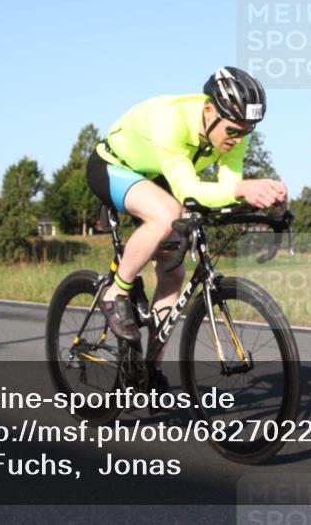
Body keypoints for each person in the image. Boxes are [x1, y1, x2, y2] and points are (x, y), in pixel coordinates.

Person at [86, 67, 287, 348]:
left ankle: (151, 367)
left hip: (158, 176)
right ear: (209, 111)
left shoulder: (235, 133)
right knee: (167, 213)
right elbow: (188, 190)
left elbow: (228, 187)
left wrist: (265, 199)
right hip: (114, 166)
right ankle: (115, 292)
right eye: (233, 130)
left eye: (247, 132)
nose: (239, 140)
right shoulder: (170, 119)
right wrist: (242, 190)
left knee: (173, 272)